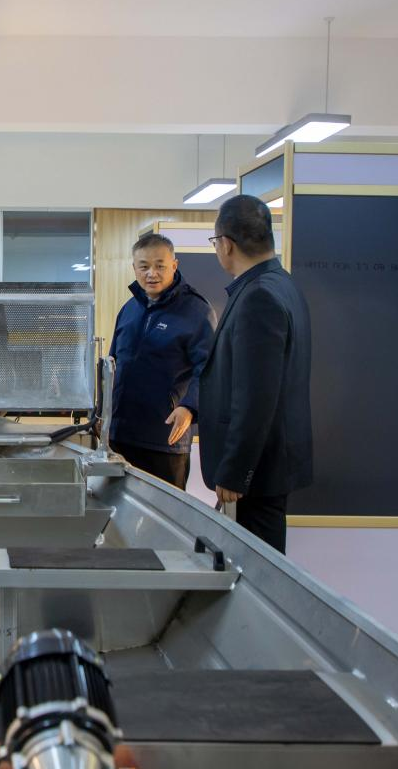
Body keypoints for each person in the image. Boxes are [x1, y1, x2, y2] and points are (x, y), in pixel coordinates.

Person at [199, 195, 313, 553]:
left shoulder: (259, 296)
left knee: (256, 567)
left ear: (226, 244)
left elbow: (256, 397)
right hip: (270, 464)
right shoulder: (281, 284)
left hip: (257, 473)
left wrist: (236, 471)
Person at [108, 233, 215, 490]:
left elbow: (210, 370)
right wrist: (104, 413)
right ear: (134, 268)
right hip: (121, 436)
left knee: (164, 511)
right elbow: (113, 365)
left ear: (174, 265)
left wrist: (190, 407)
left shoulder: (196, 311)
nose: (151, 274)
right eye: (144, 266)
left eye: (160, 266)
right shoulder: (129, 309)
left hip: (164, 440)